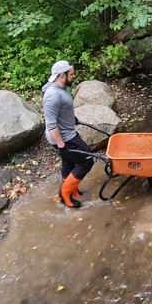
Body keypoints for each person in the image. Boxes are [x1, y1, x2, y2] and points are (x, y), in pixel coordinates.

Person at [41, 60, 92, 208]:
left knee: (69, 162)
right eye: (71, 74)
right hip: (64, 137)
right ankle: (64, 194)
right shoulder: (53, 95)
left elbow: (62, 110)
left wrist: (71, 118)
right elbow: (51, 124)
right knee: (87, 160)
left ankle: (72, 192)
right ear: (62, 75)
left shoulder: (62, 88)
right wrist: (61, 145)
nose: (74, 76)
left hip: (66, 133)